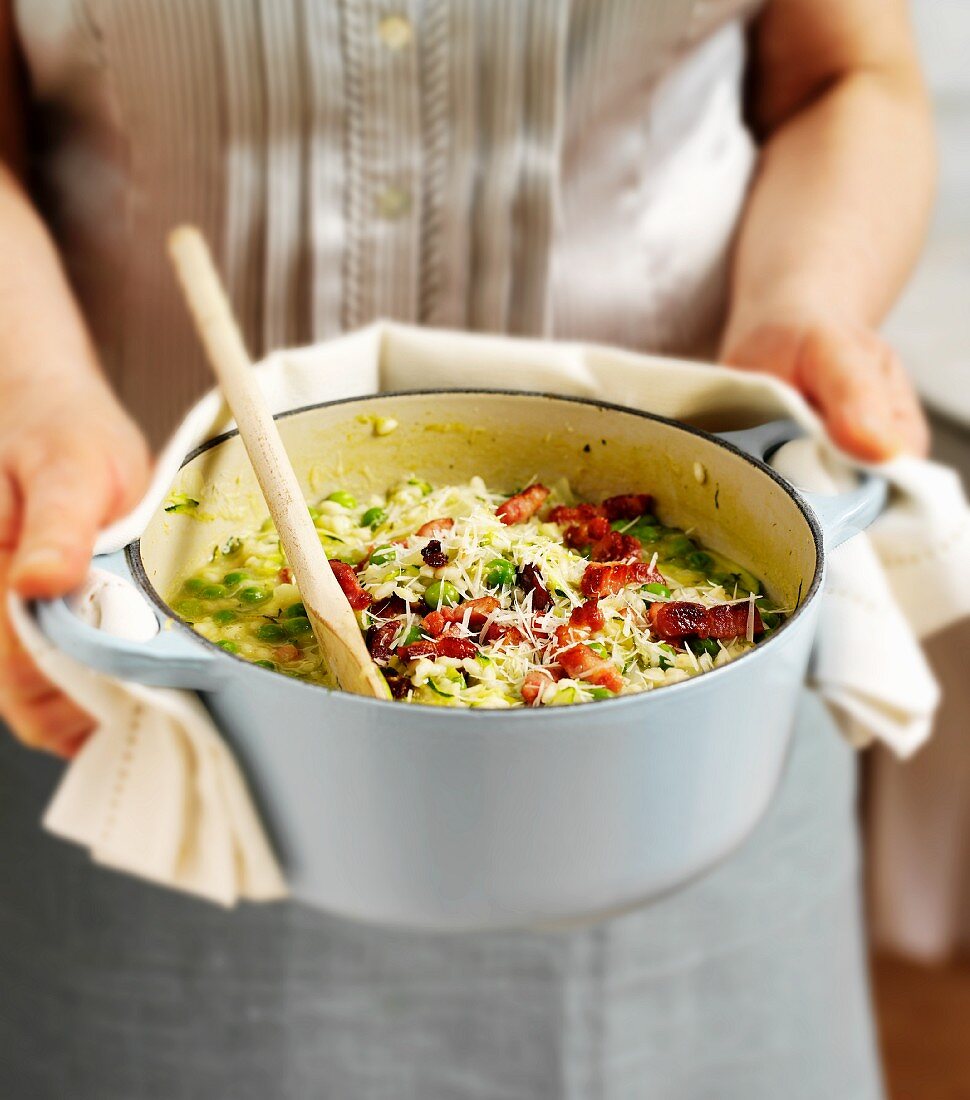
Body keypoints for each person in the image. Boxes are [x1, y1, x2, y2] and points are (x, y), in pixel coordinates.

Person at [0, 1, 933, 1096]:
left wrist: (804, 310)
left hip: (692, 752)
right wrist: (31, 390)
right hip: (147, 677)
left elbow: (846, 77)